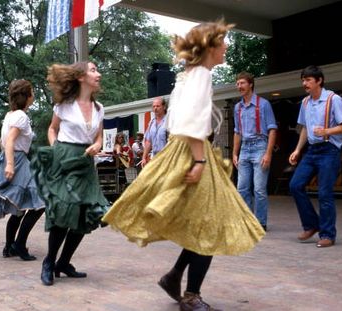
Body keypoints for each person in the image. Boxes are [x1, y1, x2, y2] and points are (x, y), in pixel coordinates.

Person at [102, 21, 265, 311]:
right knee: (208, 225)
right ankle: (190, 295)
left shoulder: (190, 74)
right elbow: (190, 122)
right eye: (223, 42)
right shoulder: (200, 75)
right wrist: (200, 160)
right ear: (210, 46)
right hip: (192, 151)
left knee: (202, 223)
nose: (226, 46)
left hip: (187, 149)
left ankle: (175, 276)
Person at [32, 62, 109, 286]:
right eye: (93, 70)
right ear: (80, 77)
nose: (98, 74)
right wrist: (55, 148)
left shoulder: (99, 108)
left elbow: (99, 136)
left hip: (86, 162)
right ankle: (49, 262)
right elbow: (52, 128)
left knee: (86, 213)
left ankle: (64, 262)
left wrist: (97, 144)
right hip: (64, 157)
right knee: (63, 210)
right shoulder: (64, 105)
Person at [0, 79, 45, 260]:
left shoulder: (10, 115)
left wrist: (7, 160)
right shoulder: (21, 116)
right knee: (40, 203)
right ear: (26, 96)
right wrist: (10, 163)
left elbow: (3, 142)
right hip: (16, 160)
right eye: (32, 92)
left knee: (20, 206)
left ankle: (9, 246)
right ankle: (19, 245)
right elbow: (9, 140)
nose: (34, 95)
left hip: (13, 158)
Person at [289, 65, 342, 248]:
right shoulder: (305, 103)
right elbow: (305, 128)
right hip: (311, 151)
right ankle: (311, 225)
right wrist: (297, 150)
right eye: (303, 80)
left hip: (329, 150)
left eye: (308, 80)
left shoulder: (334, 99)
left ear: (319, 81)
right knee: (295, 185)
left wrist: (327, 131)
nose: (304, 83)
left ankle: (327, 235)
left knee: (324, 193)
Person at [232, 71, 277, 231]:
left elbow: (272, 129)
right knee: (242, 188)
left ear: (250, 84)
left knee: (259, 188)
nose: (239, 86)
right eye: (237, 84)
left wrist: (268, 153)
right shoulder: (237, 108)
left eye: (242, 83)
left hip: (260, 146)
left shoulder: (263, 104)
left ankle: (261, 223)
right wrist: (234, 153)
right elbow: (237, 132)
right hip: (244, 148)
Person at [141, 97, 168, 167]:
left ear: (164, 107)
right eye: (154, 106)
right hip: (155, 157)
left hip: (167, 157)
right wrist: (144, 157)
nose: (155, 108)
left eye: (158, 106)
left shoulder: (169, 121)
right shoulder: (151, 123)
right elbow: (148, 141)